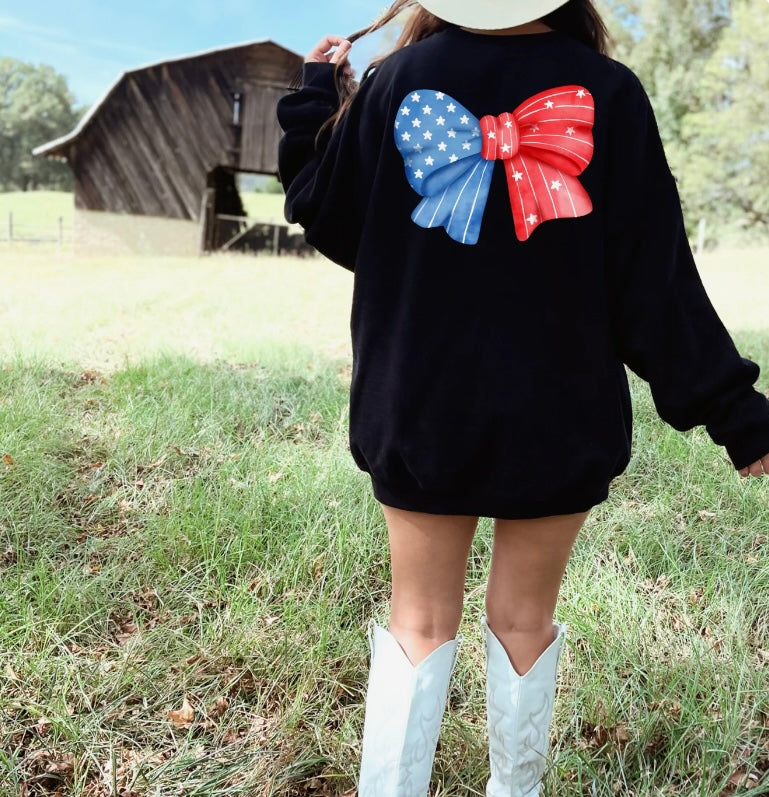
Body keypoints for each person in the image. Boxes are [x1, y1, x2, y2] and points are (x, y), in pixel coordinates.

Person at [276, 1, 769, 794]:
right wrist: (739, 417)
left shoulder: (397, 79)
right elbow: (654, 283)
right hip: (559, 414)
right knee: (523, 623)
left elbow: (329, 216)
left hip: (419, 408)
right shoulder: (609, 92)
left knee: (418, 623)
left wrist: (311, 99)